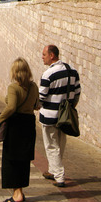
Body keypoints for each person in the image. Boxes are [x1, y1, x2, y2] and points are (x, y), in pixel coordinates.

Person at [0, 58, 39, 202]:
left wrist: (1, 118)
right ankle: (20, 191)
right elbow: (37, 105)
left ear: (15, 71)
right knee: (23, 160)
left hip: (15, 125)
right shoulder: (34, 86)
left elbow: (11, 108)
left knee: (11, 160)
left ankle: (17, 195)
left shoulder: (13, 87)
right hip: (28, 124)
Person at [39, 45, 81, 187]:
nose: (42, 57)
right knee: (60, 144)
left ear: (52, 56)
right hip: (65, 117)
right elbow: (77, 93)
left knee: (51, 146)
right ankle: (52, 170)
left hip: (49, 116)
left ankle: (59, 176)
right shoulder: (72, 72)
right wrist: (70, 107)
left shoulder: (48, 74)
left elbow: (42, 96)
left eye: (44, 54)